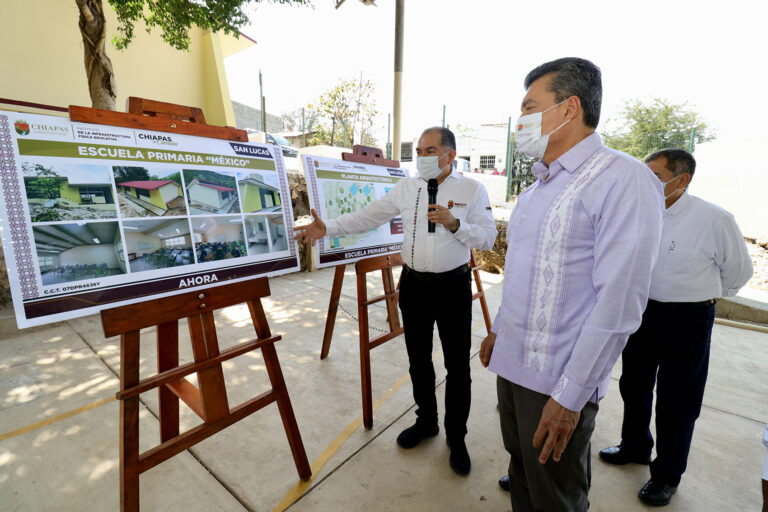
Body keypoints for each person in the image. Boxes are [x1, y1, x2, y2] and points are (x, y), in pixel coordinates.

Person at [478, 57, 664, 511]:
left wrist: (570, 397)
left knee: (557, 497)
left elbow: (619, 303)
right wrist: (500, 330)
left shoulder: (622, 179)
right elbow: (523, 272)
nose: (520, 120)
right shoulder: (538, 188)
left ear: (568, 108)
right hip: (514, 366)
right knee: (523, 474)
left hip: (559, 381)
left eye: (529, 107)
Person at [294, 127, 497, 476]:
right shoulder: (407, 187)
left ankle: (456, 436)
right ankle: (427, 421)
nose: (422, 156)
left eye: (430, 150)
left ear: (449, 155)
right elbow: (369, 216)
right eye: (418, 150)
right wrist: (328, 228)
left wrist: (455, 223)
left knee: (457, 367)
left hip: (452, 287)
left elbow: (489, 237)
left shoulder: (472, 190)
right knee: (418, 360)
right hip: (414, 285)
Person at [599, 148, 753, 506]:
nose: (645, 182)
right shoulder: (638, 213)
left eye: (654, 176)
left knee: (677, 401)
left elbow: (738, 274)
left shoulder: (714, 219)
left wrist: (698, 295)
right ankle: (635, 446)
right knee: (634, 386)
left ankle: (667, 475)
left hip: (689, 320)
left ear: (681, 180)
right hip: (641, 313)